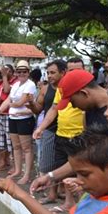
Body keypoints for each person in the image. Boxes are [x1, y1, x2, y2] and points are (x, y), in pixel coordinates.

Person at [0, 125, 108, 214]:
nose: (79, 179)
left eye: (84, 174)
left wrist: (20, 194)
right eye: (77, 173)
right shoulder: (96, 194)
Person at [32, 58, 85, 211]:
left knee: (80, 170)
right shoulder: (62, 87)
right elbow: (54, 109)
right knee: (63, 169)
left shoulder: (88, 87)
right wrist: (41, 127)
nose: (74, 73)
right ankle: (69, 202)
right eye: (71, 70)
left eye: (78, 70)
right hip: (61, 133)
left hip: (79, 135)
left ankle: (81, 205)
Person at [26, 59, 67, 204]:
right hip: (49, 129)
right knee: (48, 163)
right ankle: (51, 194)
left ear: (63, 73)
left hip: (66, 130)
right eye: (48, 73)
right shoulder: (45, 89)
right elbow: (39, 109)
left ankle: (61, 192)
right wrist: (31, 103)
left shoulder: (68, 88)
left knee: (64, 163)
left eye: (53, 73)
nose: (49, 76)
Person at [0, 60, 37, 184]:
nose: (22, 73)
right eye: (19, 71)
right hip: (13, 118)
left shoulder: (30, 84)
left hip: (25, 119)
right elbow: (7, 101)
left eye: (24, 71)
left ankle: (26, 174)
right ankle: (17, 170)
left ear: (28, 72)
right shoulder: (16, 85)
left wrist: (10, 105)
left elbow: (20, 102)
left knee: (26, 148)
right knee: (16, 146)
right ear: (16, 72)